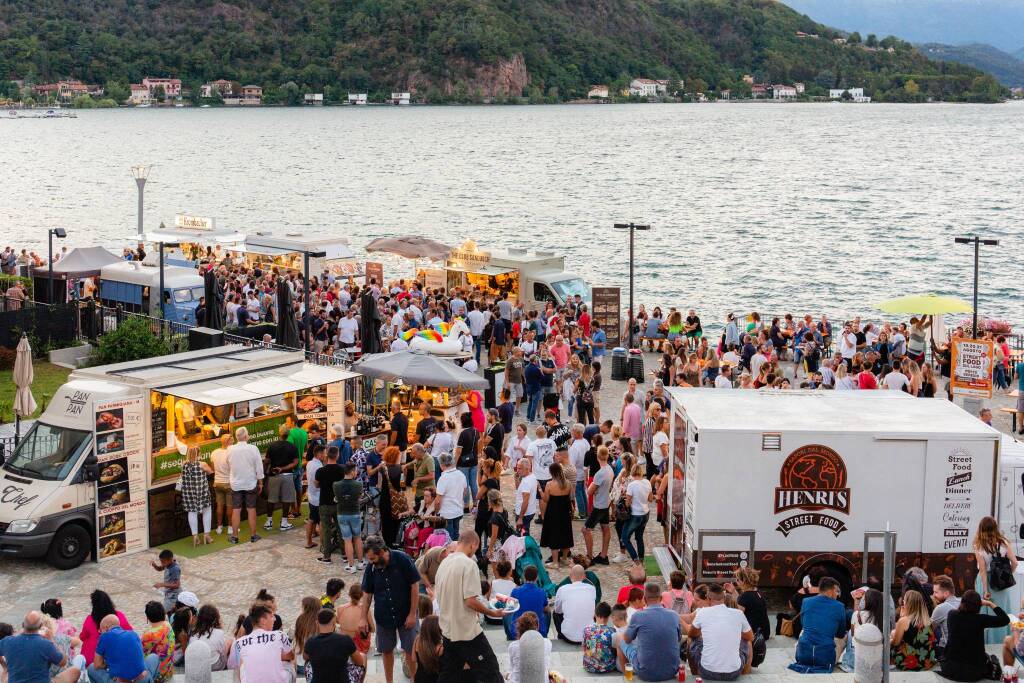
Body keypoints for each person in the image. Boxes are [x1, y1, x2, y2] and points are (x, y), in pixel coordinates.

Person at [433, 530, 504, 680]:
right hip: (466, 632)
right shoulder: (469, 564)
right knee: (491, 672)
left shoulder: (444, 563)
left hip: (448, 630)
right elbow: (470, 600)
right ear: (473, 545)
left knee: (448, 675)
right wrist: (492, 612)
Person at [359, 536, 420, 683]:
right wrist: (362, 618)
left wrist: (412, 614)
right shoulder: (371, 567)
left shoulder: (402, 559)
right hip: (383, 616)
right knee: (386, 651)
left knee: (411, 650)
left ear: (382, 551)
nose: (371, 562)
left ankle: (414, 680)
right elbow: (367, 594)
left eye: (373, 558)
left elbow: (415, 586)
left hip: (406, 613)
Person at [687, 582, 754, 681]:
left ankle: (695, 675)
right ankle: (745, 676)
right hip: (734, 673)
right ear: (723, 598)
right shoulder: (738, 613)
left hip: (707, 672)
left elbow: (691, 634)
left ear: (708, 599)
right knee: (748, 643)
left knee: (690, 640)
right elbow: (750, 637)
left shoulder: (702, 612)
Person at [618, 583, 682, 681]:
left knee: (620, 641)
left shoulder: (638, 616)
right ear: (661, 598)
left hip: (646, 673)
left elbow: (626, 640)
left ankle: (626, 677)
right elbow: (678, 639)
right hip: (672, 670)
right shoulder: (674, 615)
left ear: (644, 598)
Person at [941, 590, 1009, 681]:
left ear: (962, 602)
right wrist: (990, 604)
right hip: (973, 673)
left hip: (949, 669)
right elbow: (1005, 620)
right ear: (979, 605)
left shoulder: (952, 614)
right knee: (990, 658)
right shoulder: (981, 619)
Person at [0, 611, 85, 683]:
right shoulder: (45, 644)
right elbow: (63, 662)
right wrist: (51, 639)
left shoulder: (8, 641)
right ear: (40, 626)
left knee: (5, 675)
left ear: (23, 624)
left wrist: (4, 666)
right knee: (75, 671)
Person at [974, 515, 1017, 644]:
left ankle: (988, 642)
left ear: (981, 529)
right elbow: (1014, 562)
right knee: (1002, 611)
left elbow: (982, 570)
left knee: (986, 612)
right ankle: (1005, 642)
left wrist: (986, 590)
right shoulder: (1004, 542)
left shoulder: (979, 545)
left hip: (986, 581)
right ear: (995, 528)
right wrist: (1008, 575)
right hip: (1001, 582)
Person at [792, 577, 847, 671]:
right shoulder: (839, 606)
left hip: (803, 656)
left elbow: (803, 623)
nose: (837, 595)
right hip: (825, 659)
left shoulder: (806, 602)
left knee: (804, 631)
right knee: (846, 636)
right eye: (837, 591)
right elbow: (840, 633)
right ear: (832, 589)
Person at [227, 605, 293, 683]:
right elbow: (291, 656)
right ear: (263, 620)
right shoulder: (280, 635)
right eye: (272, 616)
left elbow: (239, 667)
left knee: (243, 665)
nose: (275, 619)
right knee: (291, 662)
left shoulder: (239, 643)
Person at [89, 614, 160, 683]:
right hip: (141, 678)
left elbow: (97, 664)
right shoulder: (133, 634)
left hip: (121, 680)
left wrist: (108, 664)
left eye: (101, 631)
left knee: (91, 668)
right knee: (154, 657)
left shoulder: (104, 636)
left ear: (107, 628)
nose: (101, 633)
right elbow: (140, 656)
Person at [303, 609, 363, 683]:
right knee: (363, 657)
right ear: (334, 623)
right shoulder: (345, 639)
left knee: (307, 663)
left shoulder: (310, 641)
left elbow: (305, 657)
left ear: (317, 623)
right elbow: (360, 662)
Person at [228, 426, 264, 544]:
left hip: (236, 483)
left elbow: (228, 464)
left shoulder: (230, 449)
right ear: (246, 436)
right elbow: (259, 467)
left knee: (236, 509)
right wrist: (261, 482)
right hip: (250, 483)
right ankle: (253, 535)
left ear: (237, 437)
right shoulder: (253, 449)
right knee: (251, 509)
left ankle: (234, 536)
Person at [264, 425, 299, 532]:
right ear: (288, 434)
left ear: (279, 433)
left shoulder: (272, 446)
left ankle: (269, 521)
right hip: (287, 475)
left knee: (271, 499)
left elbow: (267, 461)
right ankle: (284, 522)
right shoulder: (292, 447)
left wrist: (267, 472)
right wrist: (283, 468)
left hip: (274, 475)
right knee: (287, 499)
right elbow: (296, 462)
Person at [890, 590, 937, 671]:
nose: (903, 602)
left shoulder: (904, 620)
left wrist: (890, 639)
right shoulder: (927, 620)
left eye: (904, 600)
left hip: (911, 662)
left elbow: (896, 643)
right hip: (927, 661)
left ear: (908, 603)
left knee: (890, 639)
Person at [539, 462, 574, 569]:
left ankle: (555, 562)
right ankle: (564, 558)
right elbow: (571, 498)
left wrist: (540, 490)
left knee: (554, 535)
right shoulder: (568, 483)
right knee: (565, 533)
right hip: (565, 511)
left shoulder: (550, 484)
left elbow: (545, 499)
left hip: (553, 512)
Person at [551, 564, 596, 644]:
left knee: (555, 613)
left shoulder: (562, 589)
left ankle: (560, 636)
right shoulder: (592, 589)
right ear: (584, 576)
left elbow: (557, 610)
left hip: (568, 637)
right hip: (589, 636)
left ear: (570, 576)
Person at [314, 447, 344, 564]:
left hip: (324, 503)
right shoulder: (342, 470)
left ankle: (327, 556)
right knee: (341, 529)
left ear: (327, 455)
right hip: (338, 503)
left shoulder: (320, 471)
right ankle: (345, 554)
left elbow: (316, 485)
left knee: (326, 530)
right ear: (337, 456)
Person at [333, 462, 365, 572]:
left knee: (347, 540)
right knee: (357, 538)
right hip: (355, 513)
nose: (356, 472)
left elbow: (337, 498)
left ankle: (351, 566)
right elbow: (359, 497)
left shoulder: (336, 485)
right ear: (352, 472)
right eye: (355, 470)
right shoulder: (358, 484)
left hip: (342, 514)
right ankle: (360, 562)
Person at [180, 446, 214, 546]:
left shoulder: (184, 464)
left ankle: (195, 536)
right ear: (198, 454)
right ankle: (206, 535)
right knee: (207, 510)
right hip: (202, 491)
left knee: (192, 512)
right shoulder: (202, 464)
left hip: (188, 493)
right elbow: (210, 472)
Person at [506, 565, 549, 640]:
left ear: (524, 577)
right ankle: (544, 636)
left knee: (506, 614)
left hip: (518, 631)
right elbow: (546, 609)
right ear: (537, 577)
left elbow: (510, 609)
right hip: (538, 631)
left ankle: (509, 636)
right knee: (548, 613)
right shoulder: (542, 592)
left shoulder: (515, 591)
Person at [622, 463, 652, 566]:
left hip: (635, 515)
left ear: (632, 473)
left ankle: (636, 560)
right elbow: (650, 499)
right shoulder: (647, 482)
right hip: (645, 513)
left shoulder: (632, 485)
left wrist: (626, 498)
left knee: (625, 538)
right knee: (639, 537)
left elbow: (627, 503)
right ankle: (642, 561)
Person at [507, 612, 550, 683]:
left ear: (519, 628)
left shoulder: (513, 646)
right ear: (537, 626)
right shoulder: (547, 643)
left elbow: (513, 668)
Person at [434, 452, 467, 540]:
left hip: (447, 513)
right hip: (458, 510)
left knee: (448, 539)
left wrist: (436, 512)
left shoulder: (443, 478)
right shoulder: (460, 474)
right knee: (456, 536)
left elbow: (438, 500)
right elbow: (464, 492)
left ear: (441, 464)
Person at [139, 603, 175, 683]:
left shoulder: (148, 635)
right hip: (169, 672)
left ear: (147, 617)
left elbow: (140, 654)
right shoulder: (168, 625)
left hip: (157, 677)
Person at [188, 606, 229, 671]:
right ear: (215, 619)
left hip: (198, 667)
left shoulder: (192, 634)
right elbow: (223, 654)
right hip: (214, 666)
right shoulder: (219, 633)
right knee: (229, 642)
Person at [735, 567, 770, 642]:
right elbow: (744, 602)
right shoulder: (757, 592)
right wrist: (733, 591)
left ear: (744, 581)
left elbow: (738, 616)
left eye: (738, 579)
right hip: (763, 631)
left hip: (752, 633)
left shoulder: (745, 596)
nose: (736, 581)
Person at [582, 602, 617, 674]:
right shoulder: (612, 631)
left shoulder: (586, 629)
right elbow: (615, 650)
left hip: (588, 666)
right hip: (607, 667)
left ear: (595, 614)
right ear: (608, 616)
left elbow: (584, 647)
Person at [454, 413, 480, 510]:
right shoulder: (475, 431)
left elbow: (458, 451)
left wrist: (454, 464)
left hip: (463, 463)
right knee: (473, 483)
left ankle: (465, 506)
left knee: (465, 484)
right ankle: (475, 504)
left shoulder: (462, 433)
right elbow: (478, 443)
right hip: (474, 460)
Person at [932, 575, 961, 657]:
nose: (933, 595)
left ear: (946, 593)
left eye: (936, 592)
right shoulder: (963, 601)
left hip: (949, 651)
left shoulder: (940, 608)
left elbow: (929, 630)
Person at [209, 433, 233, 535]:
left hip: (217, 483)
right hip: (228, 483)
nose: (233, 442)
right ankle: (230, 527)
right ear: (228, 442)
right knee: (230, 506)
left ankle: (219, 527)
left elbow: (213, 468)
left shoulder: (214, 453)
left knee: (219, 505)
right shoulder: (231, 453)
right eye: (232, 440)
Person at [148, 549, 182, 614]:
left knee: (162, 613)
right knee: (171, 613)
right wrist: (154, 565)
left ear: (170, 559)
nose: (162, 563)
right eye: (161, 561)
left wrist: (162, 584)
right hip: (169, 594)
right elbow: (159, 568)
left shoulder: (175, 569)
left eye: (163, 562)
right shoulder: (168, 564)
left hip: (173, 596)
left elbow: (177, 585)